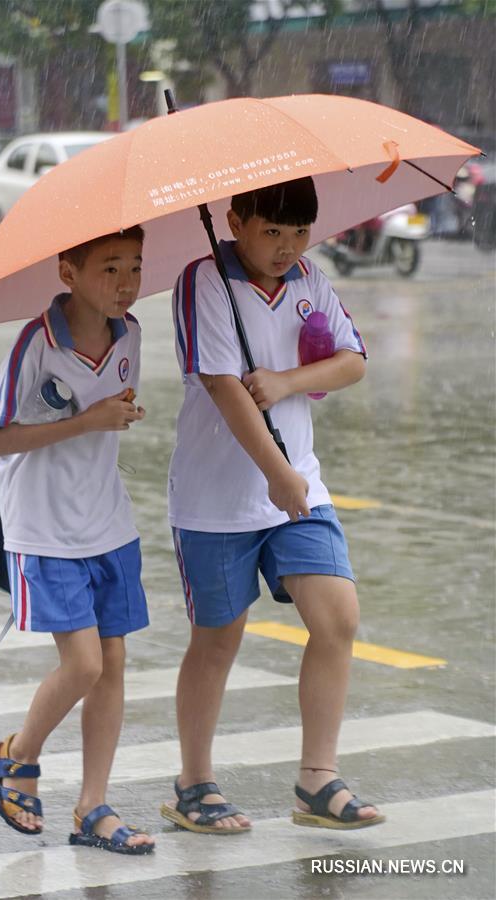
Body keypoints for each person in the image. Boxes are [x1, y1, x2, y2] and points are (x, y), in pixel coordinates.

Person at [161, 178, 384, 834]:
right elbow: (225, 388)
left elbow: (353, 360)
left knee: (337, 617)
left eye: (298, 233)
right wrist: (276, 473)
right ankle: (193, 783)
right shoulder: (203, 282)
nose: (287, 247)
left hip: (298, 487)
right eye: (271, 232)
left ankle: (318, 779)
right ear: (234, 220)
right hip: (217, 501)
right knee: (219, 639)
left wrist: (289, 381)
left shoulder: (310, 279)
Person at [0, 225, 155, 854]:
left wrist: (118, 414)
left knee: (112, 668)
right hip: (45, 527)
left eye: (135, 266)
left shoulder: (130, 334)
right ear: (68, 273)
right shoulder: (35, 343)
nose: (127, 283)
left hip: (109, 522)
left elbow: (109, 411)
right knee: (83, 664)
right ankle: (16, 754)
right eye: (110, 268)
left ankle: (93, 807)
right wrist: (85, 421)